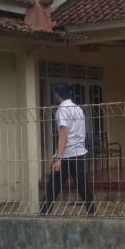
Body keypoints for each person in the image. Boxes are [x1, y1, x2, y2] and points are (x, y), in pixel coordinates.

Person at [39, 83, 95, 215]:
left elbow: (63, 133)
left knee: (53, 187)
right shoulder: (78, 109)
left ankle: (43, 213)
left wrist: (58, 157)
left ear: (57, 95)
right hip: (79, 153)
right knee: (83, 185)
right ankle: (92, 212)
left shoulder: (62, 110)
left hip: (66, 155)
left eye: (55, 94)